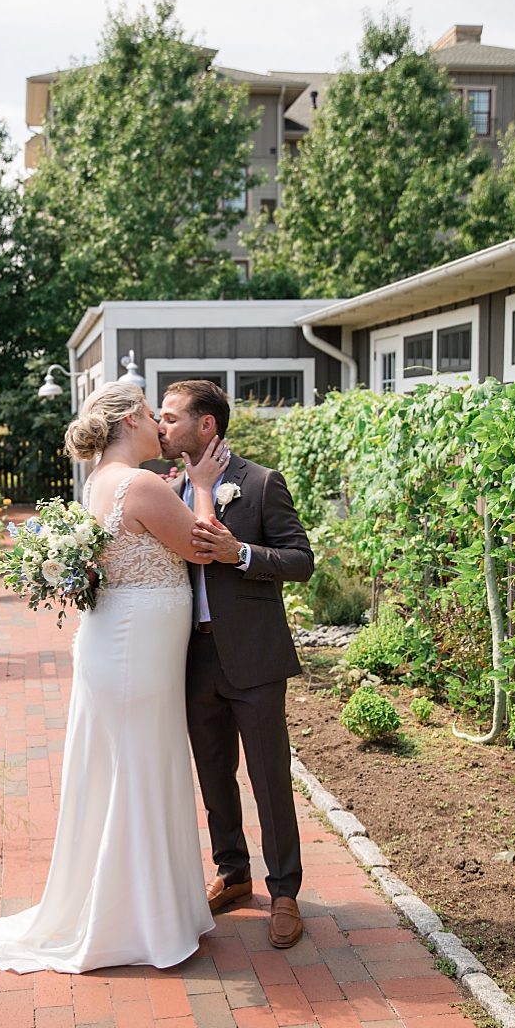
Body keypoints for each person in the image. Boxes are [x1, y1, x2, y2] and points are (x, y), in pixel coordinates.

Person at [0, 380, 224, 974]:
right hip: (138, 642)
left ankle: (144, 910)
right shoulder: (137, 484)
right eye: (150, 415)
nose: (159, 426)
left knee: (128, 767)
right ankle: (139, 920)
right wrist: (205, 490)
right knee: (141, 766)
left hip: (119, 638)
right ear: (130, 420)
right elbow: (201, 547)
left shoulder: (101, 482)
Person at [162, 380, 314, 949]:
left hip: (254, 657)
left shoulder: (261, 483)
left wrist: (242, 553)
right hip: (193, 657)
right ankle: (233, 872)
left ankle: (285, 893)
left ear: (207, 426)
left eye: (173, 418)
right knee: (214, 773)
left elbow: (301, 560)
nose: (162, 426)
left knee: (270, 777)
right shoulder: (170, 488)